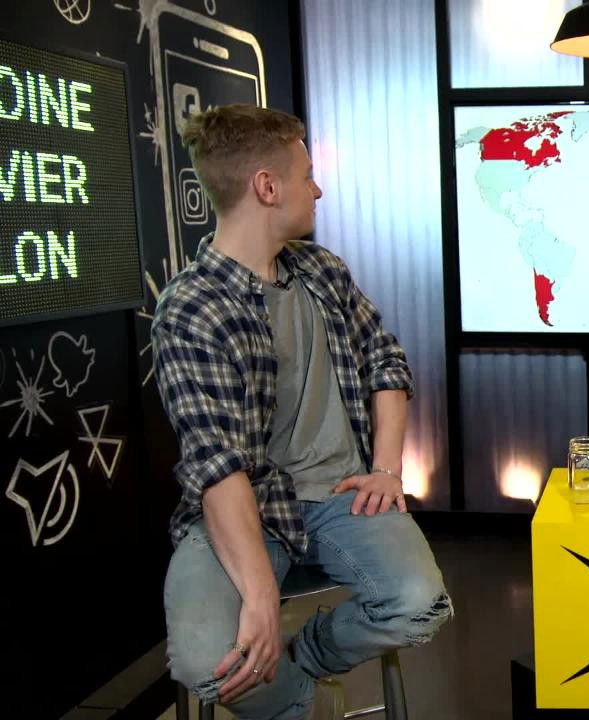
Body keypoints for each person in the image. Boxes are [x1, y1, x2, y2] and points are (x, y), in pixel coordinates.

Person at [153, 105, 452, 720]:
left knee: (420, 605)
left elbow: (385, 360)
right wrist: (260, 596)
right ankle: (301, 705)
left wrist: (387, 470)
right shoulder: (190, 309)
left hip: (342, 495)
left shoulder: (322, 271)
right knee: (203, 661)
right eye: (307, 175)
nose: (317, 190)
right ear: (267, 186)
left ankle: (303, 662)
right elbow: (217, 467)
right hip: (249, 510)